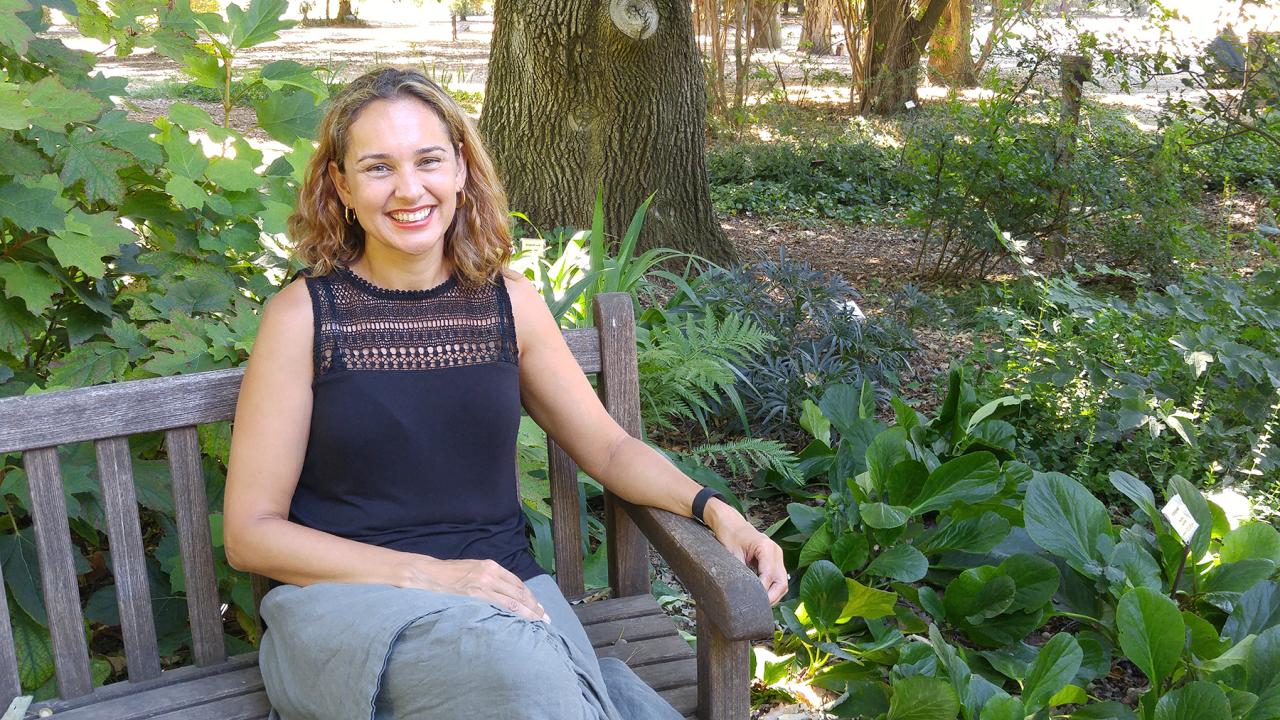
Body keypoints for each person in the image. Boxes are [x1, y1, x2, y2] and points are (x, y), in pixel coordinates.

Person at [223, 67, 788, 720]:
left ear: (461, 168)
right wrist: (432, 575)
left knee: (529, 674)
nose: (409, 189)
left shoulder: (509, 305)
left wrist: (717, 511)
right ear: (342, 186)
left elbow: (608, 449)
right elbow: (250, 535)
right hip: (349, 605)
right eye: (378, 168)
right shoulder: (303, 318)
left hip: (506, 594)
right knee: (529, 676)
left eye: (428, 160)